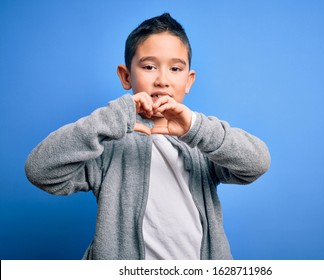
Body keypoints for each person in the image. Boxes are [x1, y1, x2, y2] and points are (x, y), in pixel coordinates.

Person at [25, 13, 270, 260]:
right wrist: (114, 117)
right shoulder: (108, 146)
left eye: (175, 69)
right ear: (126, 76)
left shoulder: (202, 142)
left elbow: (257, 163)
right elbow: (39, 170)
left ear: (189, 80)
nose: (162, 80)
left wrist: (196, 128)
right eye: (149, 67)